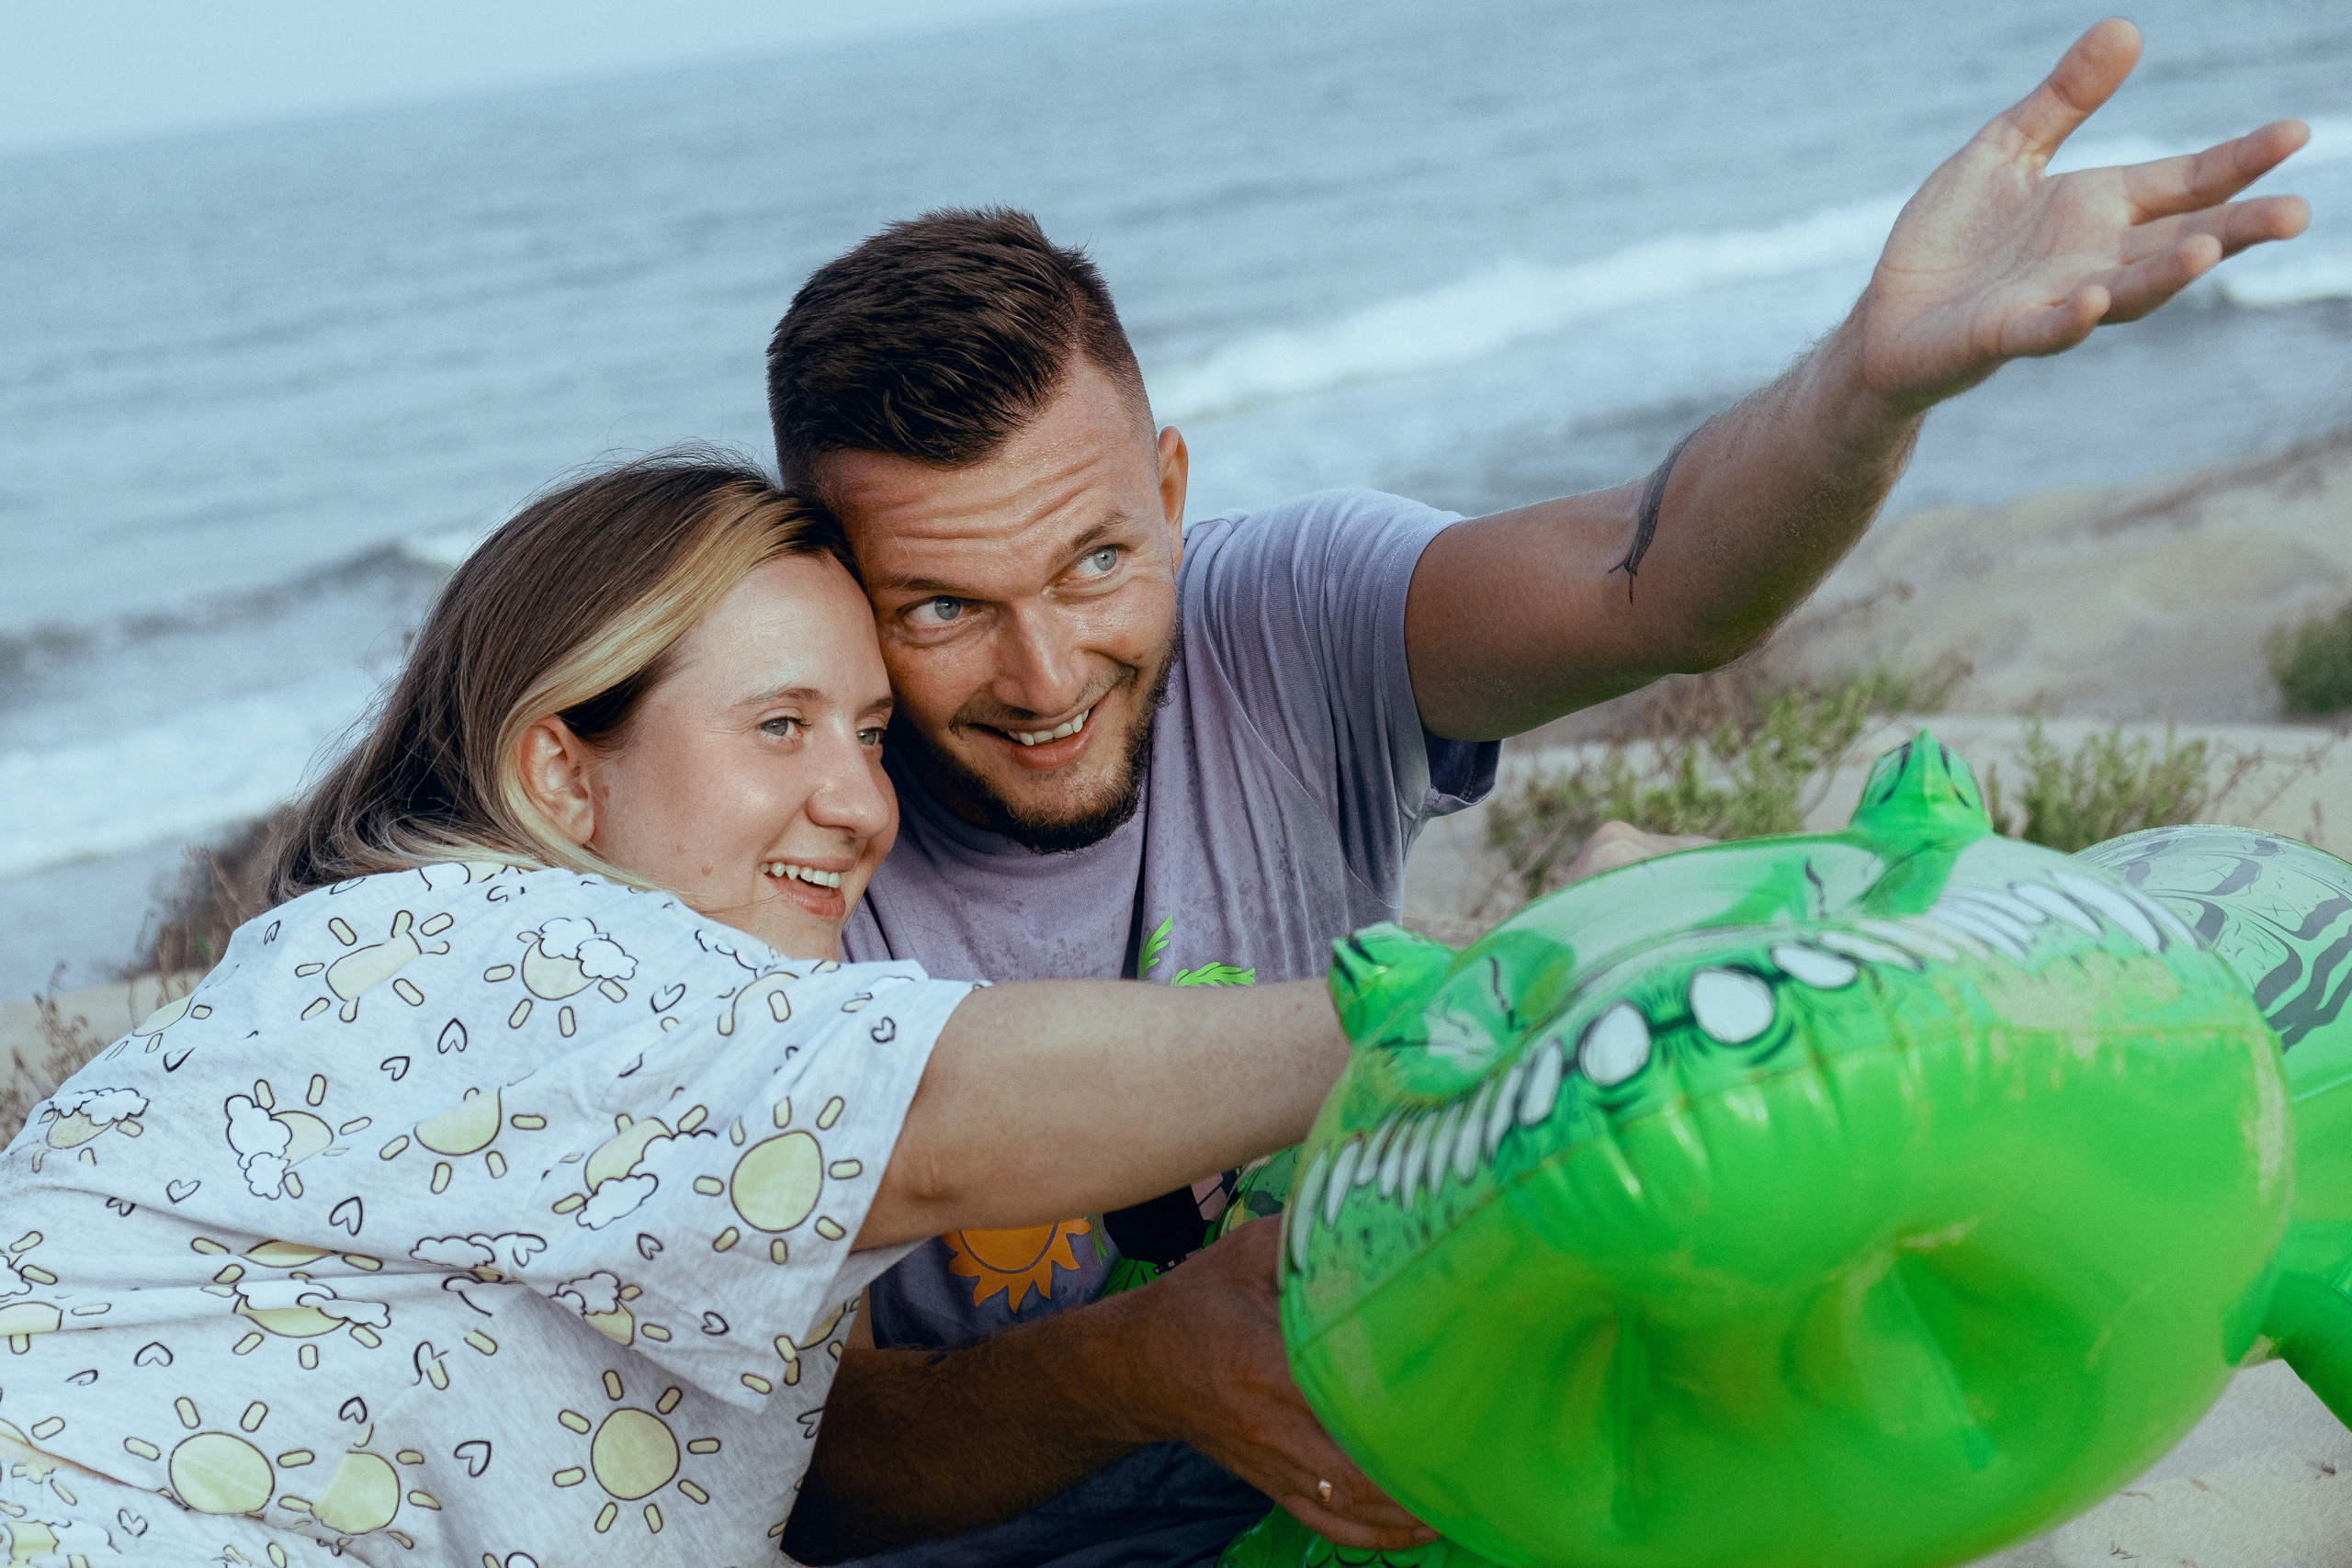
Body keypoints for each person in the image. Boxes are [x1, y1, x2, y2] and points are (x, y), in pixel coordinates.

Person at [763, 18, 2314, 1568]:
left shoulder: (1279, 610)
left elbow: (1654, 585)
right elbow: (801, 1472)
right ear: (831, 587)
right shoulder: (773, 840)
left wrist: (1866, 385)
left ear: (1170, 492)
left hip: (1447, 1484)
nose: (1046, 675)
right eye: (943, 609)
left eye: (1098, 561)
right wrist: (1149, 1364)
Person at [0, 457, 1363, 1566]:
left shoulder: (613, 1099)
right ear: (561, 773)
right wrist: (1436, 1020)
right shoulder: (471, 941)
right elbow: (930, 1111)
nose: (861, 805)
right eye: (781, 726)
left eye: (871, 733)